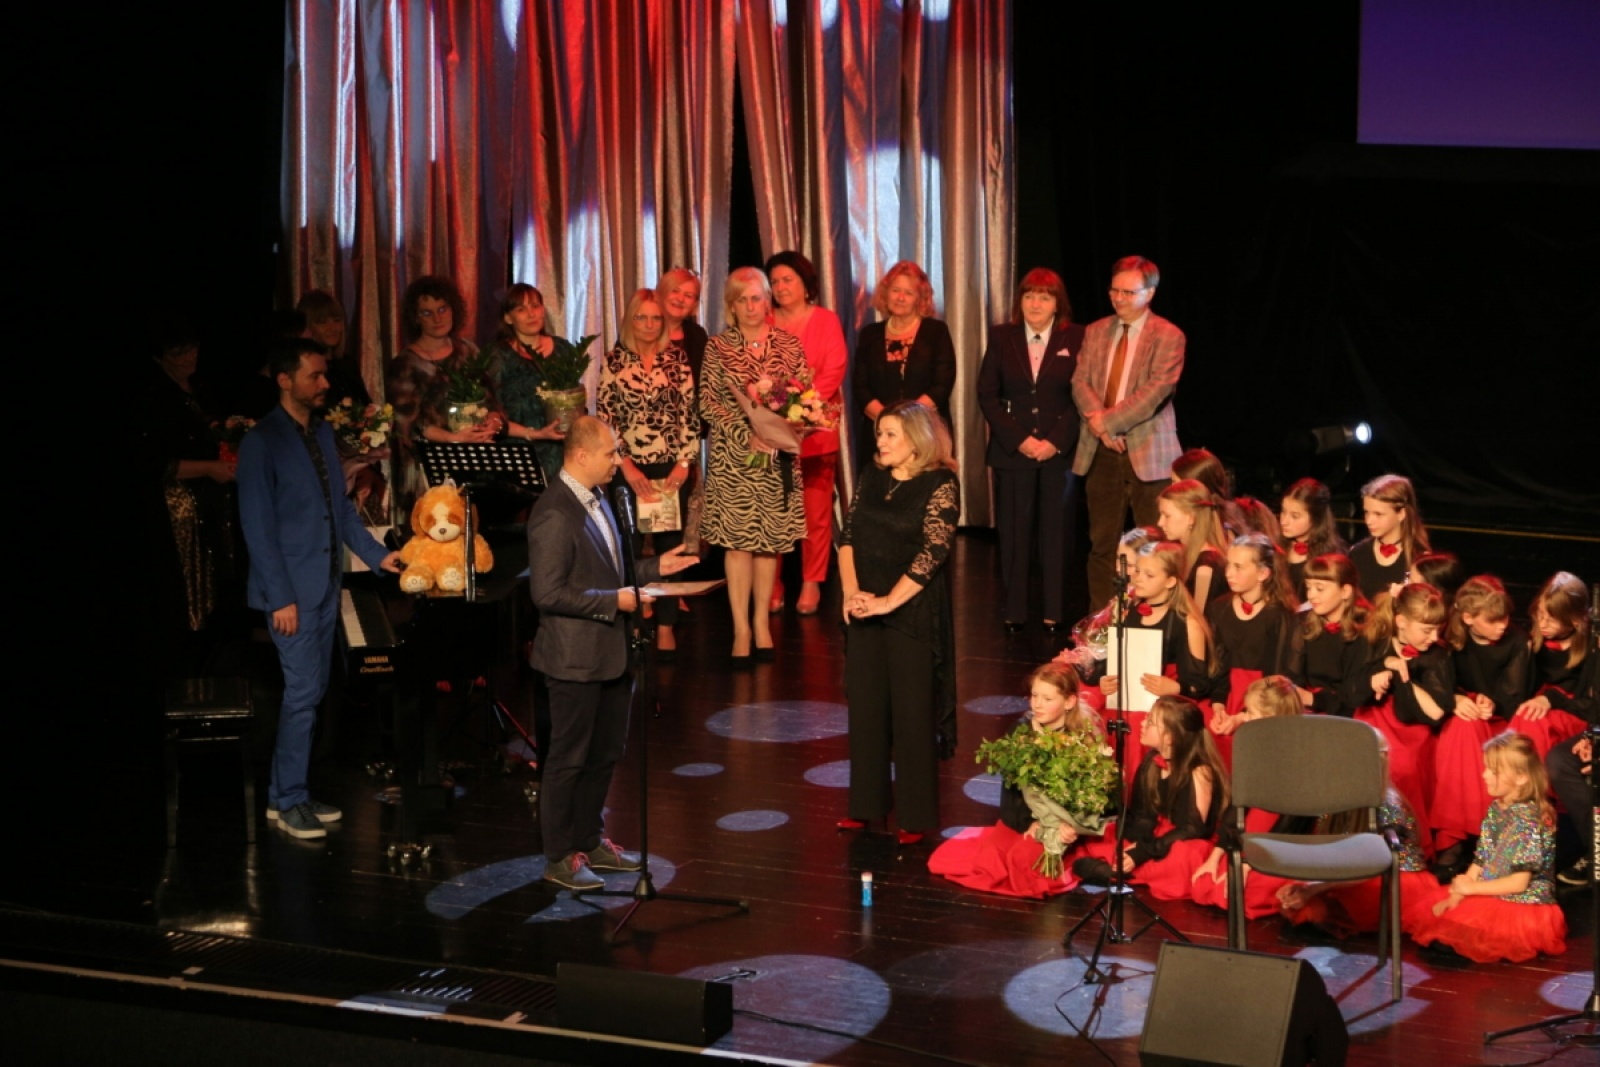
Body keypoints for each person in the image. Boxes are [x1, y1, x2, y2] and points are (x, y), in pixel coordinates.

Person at [237, 338, 402, 840]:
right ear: (285, 380)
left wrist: (377, 556)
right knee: (302, 695)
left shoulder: (323, 432)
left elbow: (341, 510)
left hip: (324, 584)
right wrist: (280, 597)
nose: (325, 383)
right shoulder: (262, 441)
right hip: (293, 593)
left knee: (311, 694)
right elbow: (258, 528)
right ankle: (288, 799)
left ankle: (288, 795)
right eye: (315, 375)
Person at [525, 416, 699, 891]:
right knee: (568, 759)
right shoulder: (554, 512)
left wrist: (654, 567)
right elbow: (547, 593)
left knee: (604, 754)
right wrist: (614, 601)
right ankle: (559, 856)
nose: (617, 461)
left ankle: (589, 839)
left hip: (611, 653)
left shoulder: (600, 496)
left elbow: (612, 570)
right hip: (574, 659)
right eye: (609, 454)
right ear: (581, 456)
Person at [838, 400, 960, 845]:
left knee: (912, 715)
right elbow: (849, 536)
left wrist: (888, 602)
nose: (881, 442)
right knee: (866, 710)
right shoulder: (872, 477)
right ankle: (865, 806)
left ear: (916, 441)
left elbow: (934, 552)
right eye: (879, 434)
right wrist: (852, 593)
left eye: (891, 434)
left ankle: (915, 815)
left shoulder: (940, 483)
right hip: (864, 605)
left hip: (912, 610)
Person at [698, 267, 808, 660]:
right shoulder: (717, 347)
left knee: (769, 545)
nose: (750, 306)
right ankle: (740, 629)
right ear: (731, 305)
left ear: (767, 301)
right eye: (741, 300)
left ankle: (761, 622)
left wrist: (792, 424)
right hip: (735, 460)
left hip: (776, 461)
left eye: (756, 298)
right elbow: (707, 403)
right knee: (738, 545)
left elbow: (804, 396)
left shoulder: (789, 344)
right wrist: (746, 433)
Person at [928, 663, 1104, 897]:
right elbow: (1011, 791)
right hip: (1025, 817)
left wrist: (1068, 825)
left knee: (1022, 863)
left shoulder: (1082, 738)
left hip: (1062, 825)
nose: (1037, 704)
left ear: (1069, 702)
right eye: (1034, 696)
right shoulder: (1021, 732)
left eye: (1047, 699)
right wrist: (1028, 823)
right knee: (991, 860)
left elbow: (1089, 795)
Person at [1071, 256, 1187, 610]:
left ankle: (1154, 620)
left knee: (1156, 545)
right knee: (1102, 543)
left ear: (1149, 293)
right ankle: (1101, 625)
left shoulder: (1168, 335)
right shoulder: (1095, 331)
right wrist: (1100, 425)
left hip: (1149, 452)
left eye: (1128, 292)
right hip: (1102, 450)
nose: (1118, 298)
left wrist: (1108, 422)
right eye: (1114, 291)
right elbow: (1080, 382)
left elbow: (1156, 391)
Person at [977, 268, 1085, 634]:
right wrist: (1019, 439)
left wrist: (1055, 441)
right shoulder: (1001, 336)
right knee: (1014, 533)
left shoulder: (1078, 336)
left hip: (1059, 453)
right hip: (1013, 452)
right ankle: (1015, 609)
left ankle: (1053, 609)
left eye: (1044, 296)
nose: (1035, 303)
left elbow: (1082, 395)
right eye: (1029, 295)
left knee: (1056, 533)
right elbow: (987, 394)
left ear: (1058, 303)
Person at [1406, 733, 1568, 963]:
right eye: (1486, 768)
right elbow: (1482, 858)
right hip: (1490, 887)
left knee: (1455, 936)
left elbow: (1518, 883)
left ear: (1521, 777)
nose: (1484, 775)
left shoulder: (1528, 820)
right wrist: (1457, 894)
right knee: (1438, 919)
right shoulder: (1497, 807)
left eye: (1494, 771)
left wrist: (1471, 889)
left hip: (1521, 902)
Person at [598, 288, 698, 656]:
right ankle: (636, 621)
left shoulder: (678, 359)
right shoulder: (613, 361)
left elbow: (690, 414)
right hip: (627, 468)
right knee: (630, 546)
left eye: (656, 317)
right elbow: (606, 417)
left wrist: (684, 463)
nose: (649, 324)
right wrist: (624, 465)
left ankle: (667, 625)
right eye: (642, 316)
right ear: (630, 320)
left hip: (671, 469)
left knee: (671, 548)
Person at [1073, 696, 1227, 900]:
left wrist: (1143, 852)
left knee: (1184, 856)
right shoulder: (1152, 762)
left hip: (1182, 839)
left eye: (1151, 722)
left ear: (1170, 737)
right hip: (1155, 834)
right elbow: (1142, 815)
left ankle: (1118, 873)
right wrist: (1136, 844)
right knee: (1106, 837)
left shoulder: (1199, 771)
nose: (1143, 724)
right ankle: (1120, 869)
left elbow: (1192, 829)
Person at [766, 251, 847, 616]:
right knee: (775, 509)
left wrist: (803, 409)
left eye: (788, 280)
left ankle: (812, 580)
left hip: (816, 431)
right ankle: (772, 581)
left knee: (815, 512)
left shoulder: (826, 320)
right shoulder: (764, 320)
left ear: (805, 283)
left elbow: (834, 368)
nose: (781, 287)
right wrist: (780, 412)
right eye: (775, 281)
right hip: (774, 433)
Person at [1190, 675, 1308, 916]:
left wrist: (1248, 864)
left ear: (1271, 718)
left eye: (1250, 713)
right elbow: (1237, 806)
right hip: (1249, 837)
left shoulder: (1297, 758)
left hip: (1281, 845)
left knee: (1239, 893)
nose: (1244, 717)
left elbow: (1291, 824)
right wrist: (1216, 855)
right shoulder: (1252, 748)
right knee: (1204, 886)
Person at [387, 275, 501, 514]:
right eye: (427, 313)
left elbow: (492, 403)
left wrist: (493, 423)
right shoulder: (404, 364)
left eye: (442, 309)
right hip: (426, 471)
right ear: (415, 318)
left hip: (473, 464)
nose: (437, 318)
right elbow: (408, 426)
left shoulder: (468, 351)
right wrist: (454, 438)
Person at [852, 261, 956, 465]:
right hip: (879, 438)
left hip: (925, 435)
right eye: (895, 290)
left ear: (920, 298)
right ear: (886, 293)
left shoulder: (936, 332)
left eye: (908, 293)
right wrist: (889, 425)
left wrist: (909, 424)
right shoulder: (869, 334)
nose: (900, 297)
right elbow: (860, 387)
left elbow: (942, 385)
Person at [1204, 535, 1300, 741]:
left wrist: (1244, 715)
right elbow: (1218, 664)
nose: (1229, 573)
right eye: (1229, 565)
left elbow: (1278, 677)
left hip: (1263, 701)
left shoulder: (1279, 614)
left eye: (1238, 567)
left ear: (1263, 573)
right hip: (1227, 694)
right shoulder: (1219, 608)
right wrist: (1218, 705)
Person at [485, 283, 573, 481]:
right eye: (521, 309)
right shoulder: (499, 356)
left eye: (535, 306)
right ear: (508, 318)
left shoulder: (562, 349)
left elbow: (574, 400)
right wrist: (536, 434)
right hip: (519, 458)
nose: (531, 314)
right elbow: (492, 415)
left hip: (563, 455)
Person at [1292, 554, 1376, 720]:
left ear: (1345, 591)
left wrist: (1313, 699)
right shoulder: (1304, 622)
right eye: (1309, 588)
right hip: (1308, 711)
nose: (1311, 595)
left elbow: (1354, 696)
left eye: (1320, 589)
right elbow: (1294, 673)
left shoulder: (1364, 631)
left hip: (1346, 717)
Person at [1349, 473, 1432, 602]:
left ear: (1401, 514)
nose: (1369, 521)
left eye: (1378, 514)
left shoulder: (1419, 557)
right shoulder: (1357, 553)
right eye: (1366, 512)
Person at [1157, 479, 1230, 607]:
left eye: (1167, 516)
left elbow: (1197, 616)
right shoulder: (1185, 554)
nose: (1160, 523)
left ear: (1191, 518)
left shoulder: (1206, 565)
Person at [1277, 478, 1345, 599]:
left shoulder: (1332, 555)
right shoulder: (1276, 548)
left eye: (1295, 516)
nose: (1284, 521)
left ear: (1315, 518)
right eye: (1283, 512)